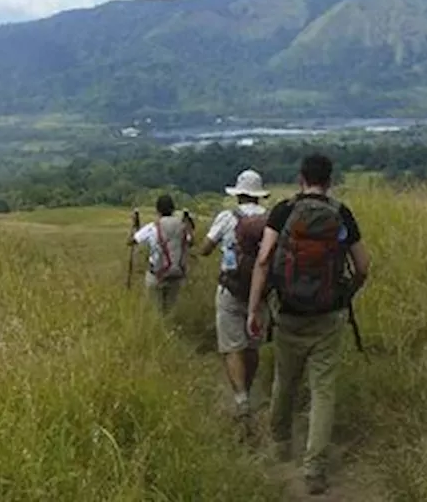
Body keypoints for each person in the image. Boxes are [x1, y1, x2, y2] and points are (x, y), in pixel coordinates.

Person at [247, 153, 372, 495]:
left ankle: (280, 448)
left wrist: (254, 309)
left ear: (301, 178)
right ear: (329, 181)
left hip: (288, 314)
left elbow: (262, 259)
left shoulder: (284, 211)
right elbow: (362, 266)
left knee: (284, 382)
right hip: (328, 317)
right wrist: (346, 294)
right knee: (323, 391)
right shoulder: (341, 214)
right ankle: (314, 469)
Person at [196, 169, 272, 420]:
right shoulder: (271, 220)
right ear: (259, 196)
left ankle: (241, 399)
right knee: (252, 347)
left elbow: (205, 249)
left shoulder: (227, 217)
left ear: (238, 194)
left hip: (230, 289)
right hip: (260, 293)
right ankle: (248, 390)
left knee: (231, 347)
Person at [129, 194, 191, 315]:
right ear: (173, 209)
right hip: (176, 274)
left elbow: (131, 241)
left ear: (157, 210)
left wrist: (135, 225)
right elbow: (190, 241)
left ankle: (157, 332)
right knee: (170, 312)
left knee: (155, 312)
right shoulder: (181, 227)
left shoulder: (153, 227)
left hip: (156, 274)